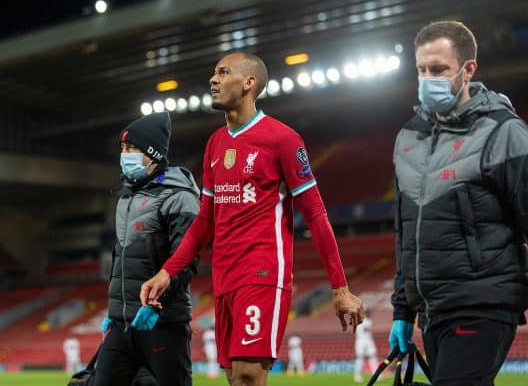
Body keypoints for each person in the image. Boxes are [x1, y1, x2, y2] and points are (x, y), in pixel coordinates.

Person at [140, 52, 364, 386]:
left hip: (261, 271)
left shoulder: (283, 140)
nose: (213, 79)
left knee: (247, 376)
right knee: (235, 379)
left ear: (249, 83)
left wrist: (340, 287)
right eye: (213, 73)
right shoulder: (215, 144)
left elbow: (315, 214)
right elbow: (205, 220)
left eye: (223, 72)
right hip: (224, 277)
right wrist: (167, 272)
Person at [389, 20, 528, 385]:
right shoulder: (408, 139)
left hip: (483, 304)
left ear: (468, 70)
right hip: (432, 312)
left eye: (438, 70)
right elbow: (405, 234)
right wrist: (402, 310)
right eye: (421, 70)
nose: (427, 79)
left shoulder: (503, 132)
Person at [95, 112, 200, 386]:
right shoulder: (126, 198)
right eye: (123, 148)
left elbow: (185, 260)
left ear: (153, 153)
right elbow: (120, 262)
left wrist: (157, 307)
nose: (125, 155)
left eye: (132, 148)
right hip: (122, 324)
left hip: (162, 325)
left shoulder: (180, 197)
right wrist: (113, 312)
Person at [353, 309, 378, 383]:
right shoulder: (361, 320)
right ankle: (357, 375)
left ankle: (376, 374)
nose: (370, 314)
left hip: (368, 341)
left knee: (373, 356)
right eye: (368, 312)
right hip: (361, 341)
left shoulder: (368, 321)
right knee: (360, 358)